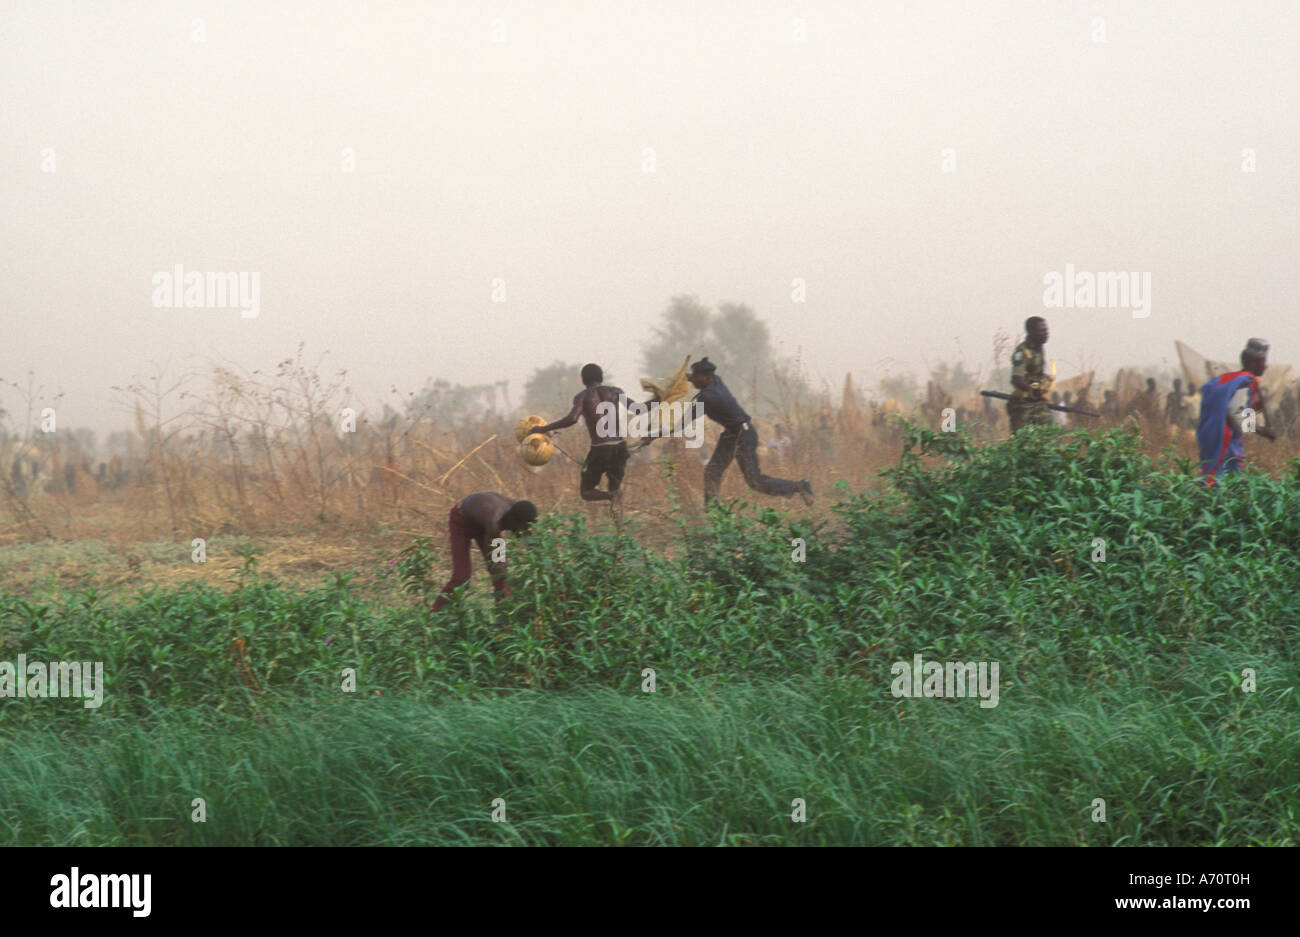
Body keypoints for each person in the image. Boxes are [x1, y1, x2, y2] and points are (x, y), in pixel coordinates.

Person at [688, 357, 812, 505]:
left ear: (707, 378)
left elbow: (685, 420)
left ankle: (800, 486)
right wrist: (685, 378)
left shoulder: (709, 397)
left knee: (755, 481)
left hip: (744, 435)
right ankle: (713, 515)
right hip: (732, 434)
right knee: (712, 472)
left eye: (696, 377)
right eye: (693, 375)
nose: (693, 379)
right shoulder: (715, 380)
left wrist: (655, 435)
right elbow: (697, 379)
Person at [533, 363, 642, 511]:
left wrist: (543, 428)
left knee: (586, 491)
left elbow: (572, 419)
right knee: (615, 486)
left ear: (583, 380)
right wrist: (661, 399)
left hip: (600, 450)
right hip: (619, 447)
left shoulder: (583, 397)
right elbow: (638, 409)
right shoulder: (616, 392)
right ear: (601, 377)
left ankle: (610, 496)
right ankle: (619, 527)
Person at [431, 492, 537, 611]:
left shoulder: (521, 511)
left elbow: (534, 541)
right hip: (461, 521)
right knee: (462, 578)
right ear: (512, 520)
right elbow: (493, 564)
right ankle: (434, 613)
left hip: (482, 521)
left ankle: (505, 619)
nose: (523, 532)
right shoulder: (495, 523)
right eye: (521, 528)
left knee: (502, 578)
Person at [1195, 338, 1276, 485]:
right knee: (1229, 479)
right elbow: (1236, 416)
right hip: (1225, 438)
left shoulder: (1227, 378)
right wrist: (1262, 430)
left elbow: (1231, 405)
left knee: (1212, 471)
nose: (1265, 366)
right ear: (1252, 362)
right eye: (1262, 361)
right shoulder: (1246, 381)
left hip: (1208, 432)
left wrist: (1253, 410)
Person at [1007, 317, 1054, 433]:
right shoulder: (1023, 352)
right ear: (1031, 332)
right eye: (1042, 331)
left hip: (1038, 403)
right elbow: (1016, 379)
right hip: (1024, 406)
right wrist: (1032, 389)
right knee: (1023, 442)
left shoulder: (1039, 349)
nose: (1046, 334)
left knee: (1049, 436)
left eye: (1046, 330)